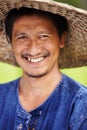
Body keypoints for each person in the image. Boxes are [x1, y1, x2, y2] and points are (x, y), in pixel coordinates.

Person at [0, 0, 87, 130]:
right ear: (11, 43)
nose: (33, 49)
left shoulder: (81, 104)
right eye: (22, 37)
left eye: (43, 36)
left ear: (62, 39)